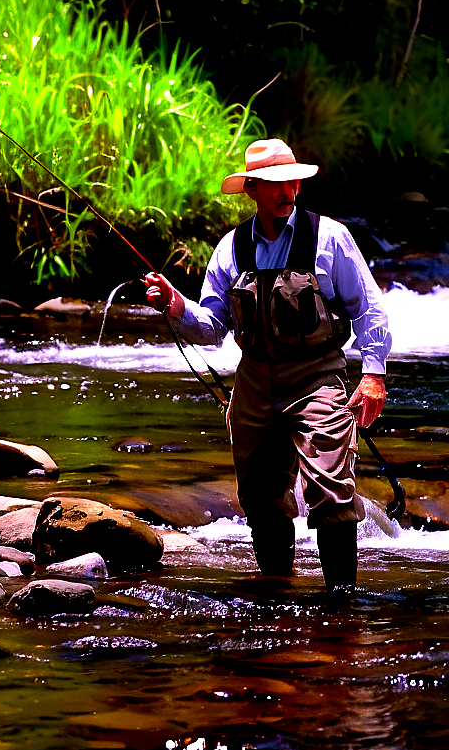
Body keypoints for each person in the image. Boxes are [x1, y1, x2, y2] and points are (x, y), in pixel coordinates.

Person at [144, 138, 391, 589]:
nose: (287, 192)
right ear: (252, 189)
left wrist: (373, 374)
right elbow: (213, 327)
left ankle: (340, 607)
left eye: (292, 182)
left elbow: (369, 309)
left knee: (330, 490)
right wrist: (175, 305)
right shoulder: (231, 248)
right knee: (259, 498)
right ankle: (279, 596)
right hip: (254, 379)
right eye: (274, 185)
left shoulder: (329, 237)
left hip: (317, 376)